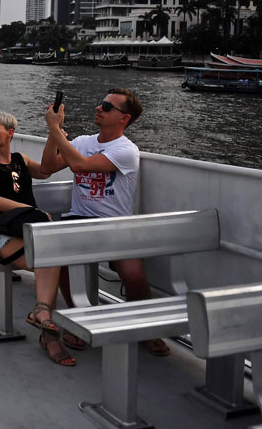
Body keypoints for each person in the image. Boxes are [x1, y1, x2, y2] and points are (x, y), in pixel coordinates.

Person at [41, 88, 171, 356]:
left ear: (124, 118)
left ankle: (144, 327)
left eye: (107, 107)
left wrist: (55, 128)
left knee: (133, 274)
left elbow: (80, 166)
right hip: (79, 219)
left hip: (115, 224)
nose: (99, 108)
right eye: (101, 104)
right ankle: (78, 320)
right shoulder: (81, 142)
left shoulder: (126, 150)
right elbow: (47, 168)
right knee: (62, 259)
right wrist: (54, 132)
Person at [0, 111, 75, 367]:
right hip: (0, 235)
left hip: (30, 232)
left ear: (10, 133)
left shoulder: (20, 160)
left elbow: (45, 170)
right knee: (49, 260)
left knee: (49, 258)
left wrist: (54, 131)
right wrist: (33, 212)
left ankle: (45, 317)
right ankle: (53, 330)